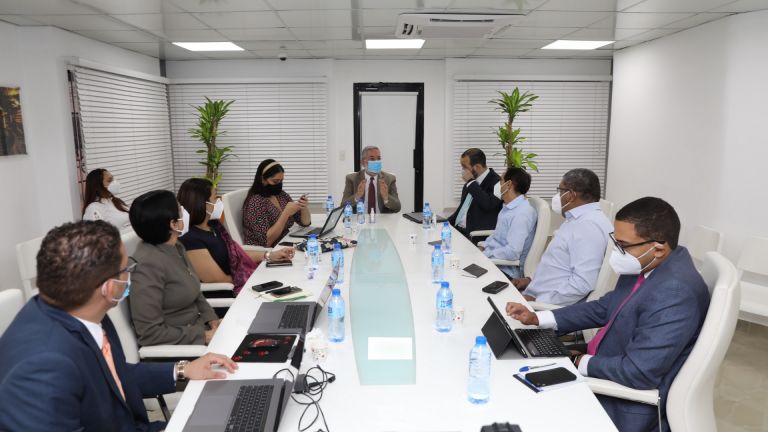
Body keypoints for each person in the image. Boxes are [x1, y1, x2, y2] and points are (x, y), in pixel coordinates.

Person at [0, 220, 237, 432]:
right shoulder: (41, 368)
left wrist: (183, 370)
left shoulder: (85, 310)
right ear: (109, 287)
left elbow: (114, 375)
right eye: (127, 269)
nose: (130, 275)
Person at [506, 197, 710, 432]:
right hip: (602, 365)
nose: (617, 251)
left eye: (623, 245)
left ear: (659, 248)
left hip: (621, 404)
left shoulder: (675, 292)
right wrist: (538, 318)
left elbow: (638, 373)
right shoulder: (647, 263)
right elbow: (605, 307)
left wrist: (577, 361)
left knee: (522, 409)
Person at [128, 190, 221, 346]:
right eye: (180, 209)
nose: (185, 212)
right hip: (182, 349)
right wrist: (203, 336)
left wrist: (211, 319)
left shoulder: (176, 246)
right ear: (173, 224)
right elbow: (150, 334)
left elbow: (194, 291)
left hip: (201, 330)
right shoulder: (147, 265)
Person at [177, 178, 294, 294]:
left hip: (241, 284)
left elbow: (235, 254)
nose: (219, 201)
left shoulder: (213, 225)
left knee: (289, 283)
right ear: (204, 204)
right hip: (228, 295)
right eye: (215, 198)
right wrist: (254, 280)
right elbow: (218, 280)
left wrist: (270, 255)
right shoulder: (190, 239)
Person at [514, 168, 612, 306]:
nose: (557, 196)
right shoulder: (576, 218)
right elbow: (559, 265)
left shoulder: (587, 226)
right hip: (535, 294)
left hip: (545, 308)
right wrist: (530, 280)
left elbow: (583, 283)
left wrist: (538, 302)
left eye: (560, 191)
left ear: (570, 195)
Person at [480, 167, 537, 279]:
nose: (498, 185)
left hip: (505, 271)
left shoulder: (522, 214)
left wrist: (486, 254)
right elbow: (497, 236)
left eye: (501, 180)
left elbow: (512, 252)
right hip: (493, 262)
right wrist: (484, 246)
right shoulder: (508, 207)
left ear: (509, 184)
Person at [242, 159, 311, 247]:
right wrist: (285, 214)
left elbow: (305, 223)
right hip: (265, 253)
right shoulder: (256, 202)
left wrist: (303, 207)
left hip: (284, 242)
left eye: (281, 181)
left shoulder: (281, 195)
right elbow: (266, 241)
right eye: (275, 181)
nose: (279, 184)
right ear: (263, 179)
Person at [448, 148, 503, 238]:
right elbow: (461, 210)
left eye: (465, 167)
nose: (463, 171)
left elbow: (488, 204)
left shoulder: (497, 182)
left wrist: (470, 182)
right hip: (458, 231)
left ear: (477, 167)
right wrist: (443, 224)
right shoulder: (470, 183)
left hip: (474, 235)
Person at [341, 146, 401, 214]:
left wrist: (386, 197)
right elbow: (342, 207)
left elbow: (397, 207)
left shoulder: (389, 179)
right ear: (363, 162)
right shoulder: (352, 179)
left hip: (382, 220)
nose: (376, 161)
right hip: (360, 219)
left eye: (378, 158)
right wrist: (357, 196)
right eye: (372, 159)